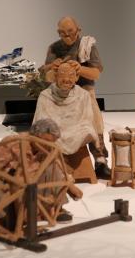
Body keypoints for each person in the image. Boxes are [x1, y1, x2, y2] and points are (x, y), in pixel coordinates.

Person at [41, 16, 110, 179]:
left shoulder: (87, 45)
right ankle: (49, 157)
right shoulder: (53, 48)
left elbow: (96, 73)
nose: (67, 36)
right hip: (60, 93)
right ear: (58, 33)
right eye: (63, 33)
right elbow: (47, 77)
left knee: (94, 116)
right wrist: (52, 68)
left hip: (84, 91)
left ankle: (100, 160)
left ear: (78, 29)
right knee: (45, 112)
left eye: (70, 31)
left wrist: (79, 69)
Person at [34, 61, 101, 168]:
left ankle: (100, 162)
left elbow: (87, 120)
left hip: (77, 131)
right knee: (45, 134)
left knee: (88, 131)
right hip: (53, 132)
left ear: (77, 77)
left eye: (71, 75)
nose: (66, 79)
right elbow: (40, 121)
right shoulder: (45, 96)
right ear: (55, 77)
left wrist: (74, 128)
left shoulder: (83, 95)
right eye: (62, 75)